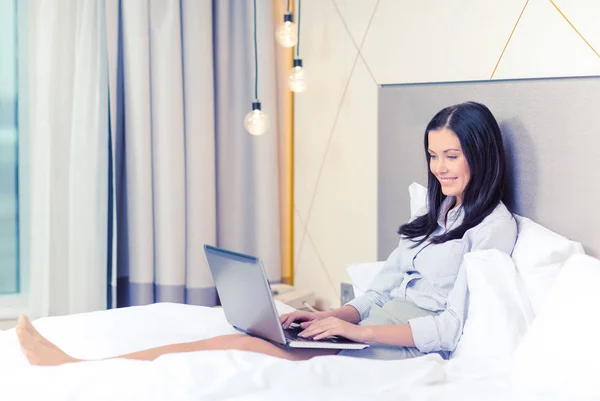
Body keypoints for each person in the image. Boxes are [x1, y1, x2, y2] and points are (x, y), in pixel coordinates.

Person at [16, 101, 517, 366]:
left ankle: (79, 367)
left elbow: (449, 328)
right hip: (363, 329)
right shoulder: (433, 212)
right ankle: (92, 362)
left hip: (399, 346)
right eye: (433, 155)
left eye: (452, 155)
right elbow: (379, 290)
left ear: (482, 152)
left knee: (241, 349)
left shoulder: (493, 230)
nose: (441, 167)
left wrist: (358, 333)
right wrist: (330, 318)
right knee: (238, 332)